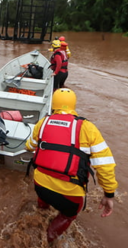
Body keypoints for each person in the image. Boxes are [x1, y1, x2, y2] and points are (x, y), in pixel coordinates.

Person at [26, 88, 118, 243]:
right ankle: (47, 240)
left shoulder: (43, 122)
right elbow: (104, 165)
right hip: (69, 193)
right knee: (68, 215)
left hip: (40, 185)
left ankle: (41, 212)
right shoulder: (88, 128)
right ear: (73, 105)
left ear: (53, 104)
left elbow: (29, 146)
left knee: (43, 200)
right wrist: (109, 194)